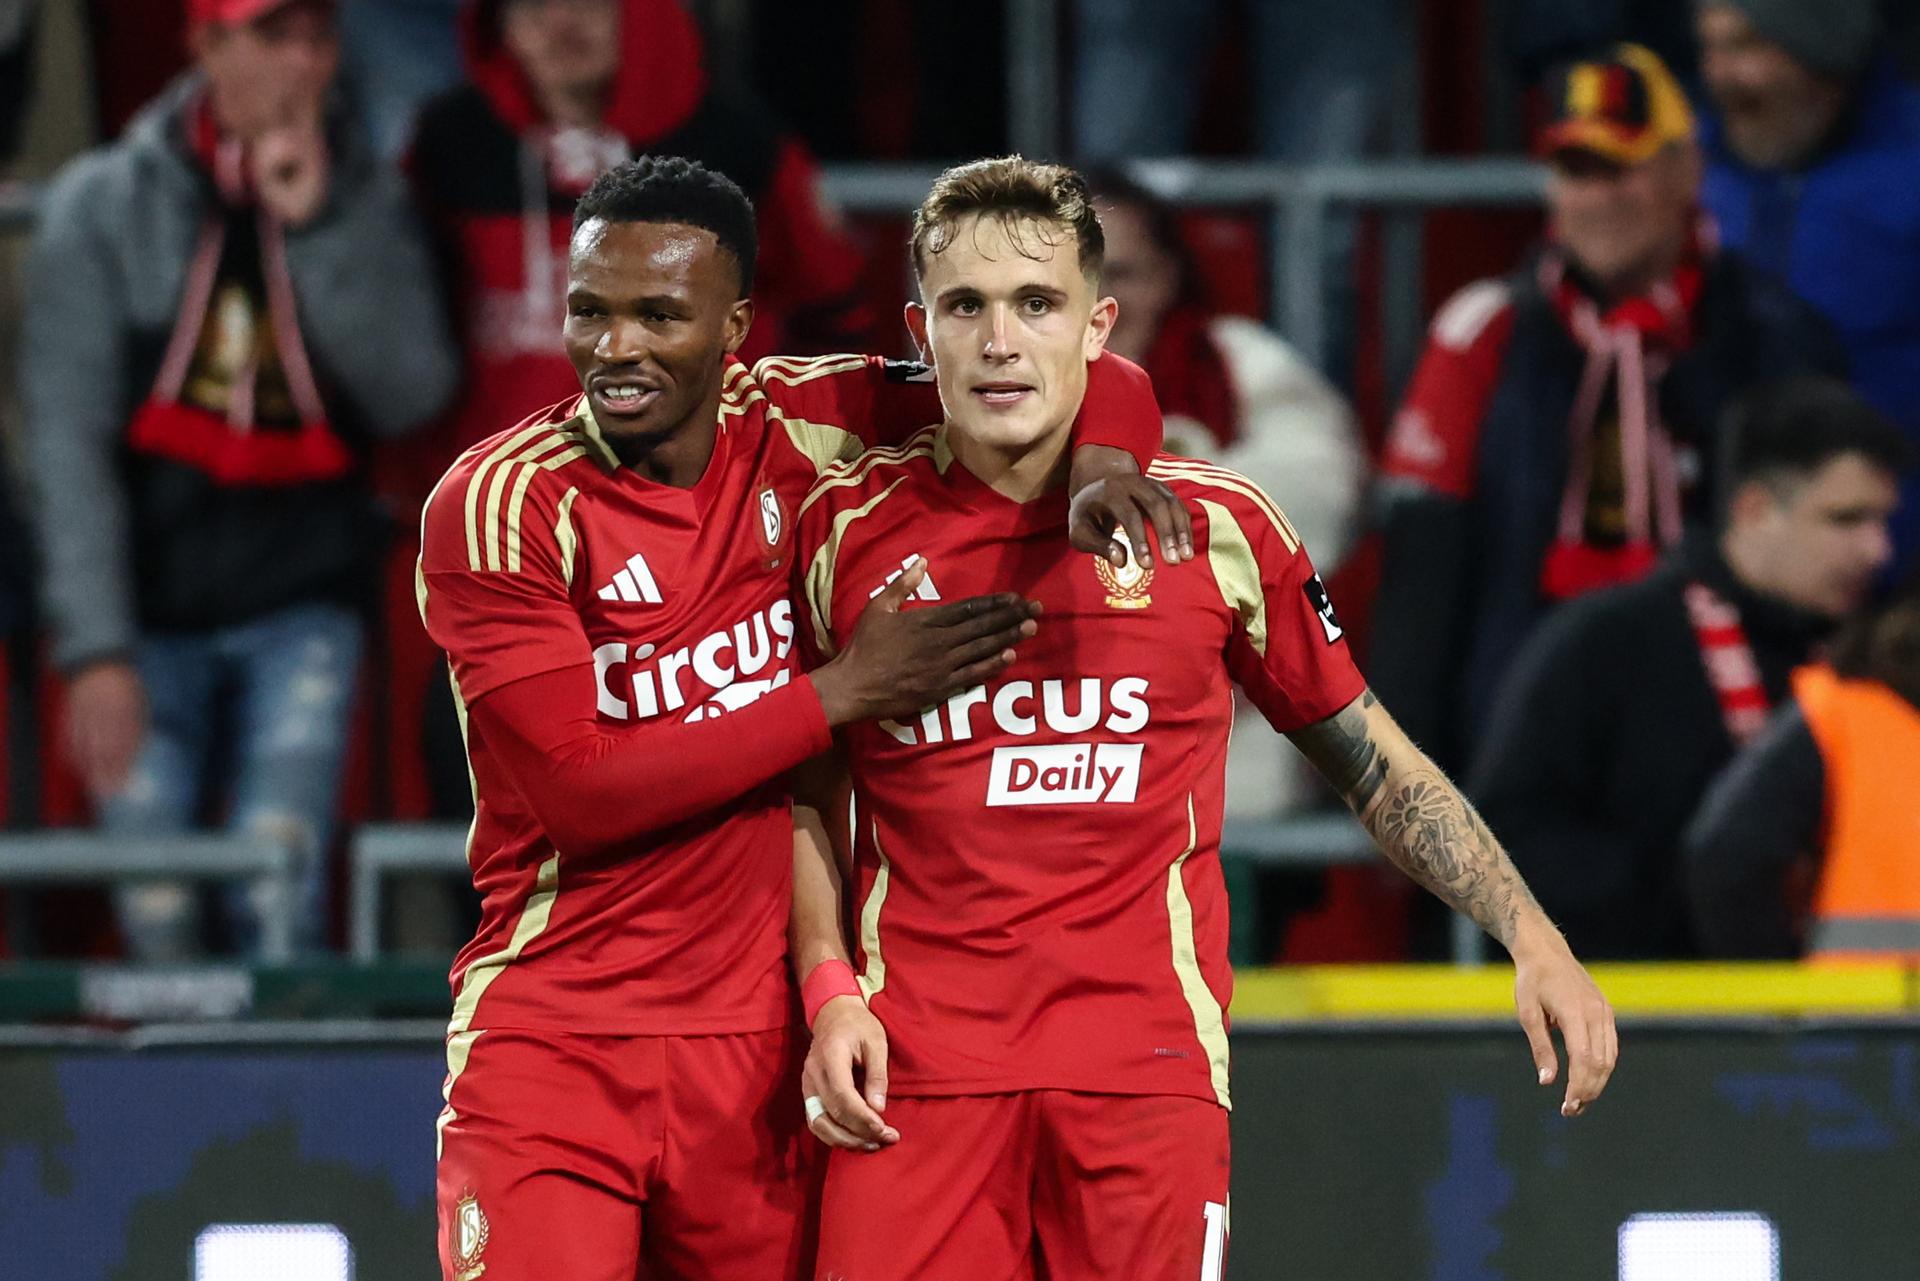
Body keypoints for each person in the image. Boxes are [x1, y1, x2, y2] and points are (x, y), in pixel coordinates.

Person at [789, 157, 1615, 1281]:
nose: (998, 340)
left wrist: (1531, 934)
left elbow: (1372, 761)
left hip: (1144, 1081)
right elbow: (799, 792)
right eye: (964, 305)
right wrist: (830, 990)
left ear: (1101, 324)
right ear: (917, 328)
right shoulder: (842, 528)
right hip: (913, 1080)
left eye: (1038, 304)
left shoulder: (1219, 527)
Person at [417, 155, 1187, 1281]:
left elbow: (1062, 369)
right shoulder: (500, 502)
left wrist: (1104, 464)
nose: (615, 348)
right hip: (559, 1040)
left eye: (658, 316)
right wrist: (840, 693)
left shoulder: (797, 420)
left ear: (734, 327)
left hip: (762, 1061)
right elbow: (582, 795)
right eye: (590, 311)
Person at [16, 0, 458, 959]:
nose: (299, 63)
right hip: (143, 617)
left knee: (278, 909)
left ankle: (282, 1109)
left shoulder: (369, 196)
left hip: (299, 607)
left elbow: (411, 390)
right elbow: (67, 444)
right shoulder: (106, 204)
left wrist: (320, 230)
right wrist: (96, 651)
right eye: (269, 34)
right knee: (159, 913)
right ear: (205, 46)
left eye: (316, 36)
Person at [1370, 44, 1844, 774]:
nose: (1597, 198)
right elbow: (1423, 585)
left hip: (1726, 747)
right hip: (1523, 747)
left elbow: (1820, 561)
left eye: (1620, 168)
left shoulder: (1775, 337)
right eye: (1573, 171)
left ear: (1689, 171)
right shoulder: (1482, 330)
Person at [1472, 377, 1907, 960]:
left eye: (1883, 522)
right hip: (1649, 1017)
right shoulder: (1607, 645)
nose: (1878, 551)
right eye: (1846, 520)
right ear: (1754, 511)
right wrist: (1683, 900)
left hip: (1847, 1019)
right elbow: (1502, 839)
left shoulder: (1884, 657)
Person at [405, 0, 875, 473]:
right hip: (502, 491)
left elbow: (839, 312)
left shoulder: (738, 147)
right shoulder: (447, 146)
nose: (562, 24)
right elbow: (401, 338)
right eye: (533, 5)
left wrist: (790, 465)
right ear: (496, 22)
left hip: (709, 503)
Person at [1091, 168, 1370, 957]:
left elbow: (1321, 497)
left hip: (1237, 790)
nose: (1104, 304)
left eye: (1125, 274)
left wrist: (1165, 469)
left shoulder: (1241, 365)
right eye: (1077, 278)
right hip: (1060, 783)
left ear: (1172, 276)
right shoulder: (1002, 387)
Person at [1696, 0, 1920, 494]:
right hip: (1729, 540)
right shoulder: (1683, 170)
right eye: (1709, 47)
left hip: (1884, 539)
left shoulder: (1908, 168)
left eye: (1746, 45)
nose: (1719, 75)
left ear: (1824, 53)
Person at [1686, 576, 1920, 960]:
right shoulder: (1847, 714)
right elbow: (1730, 861)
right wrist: (1773, 995)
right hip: (1864, 1014)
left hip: (1855, 1011)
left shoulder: (1844, 711)